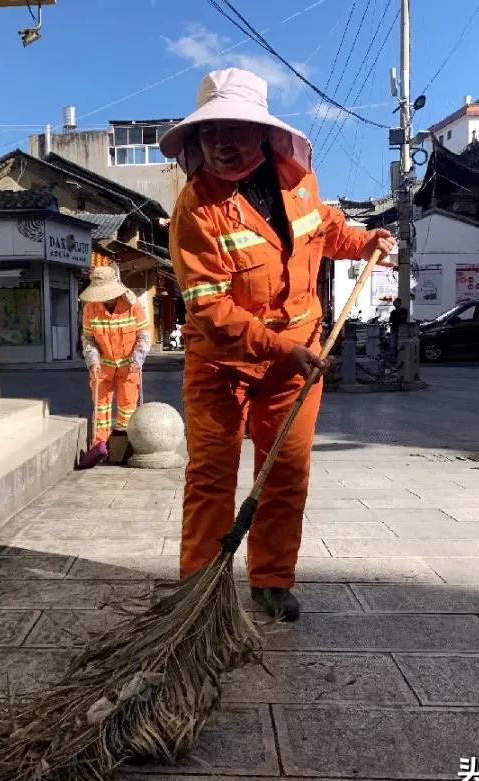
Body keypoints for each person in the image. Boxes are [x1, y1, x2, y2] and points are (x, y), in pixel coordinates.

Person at [159, 68, 396, 621]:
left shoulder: (299, 182)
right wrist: (280, 347)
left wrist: (366, 241)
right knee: (212, 476)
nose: (221, 143)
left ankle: (270, 581)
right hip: (222, 364)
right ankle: (200, 590)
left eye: (234, 129)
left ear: (263, 133)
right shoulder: (196, 210)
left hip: (296, 363)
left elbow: (328, 230)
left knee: (285, 473)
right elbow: (211, 310)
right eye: (209, 132)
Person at [77, 264, 151, 468]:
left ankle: (124, 448)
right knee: (100, 410)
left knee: (127, 409)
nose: (103, 298)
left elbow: (144, 336)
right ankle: (100, 446)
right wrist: (92, 362)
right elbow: (88, 339)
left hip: (129, 366)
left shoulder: (132, 305)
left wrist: (137, 359)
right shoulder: (90, 308)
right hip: (103, 367)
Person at [388, 296, 408, 361]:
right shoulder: (393, 312)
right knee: (393, 344)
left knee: (399, 344)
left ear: (399, 303)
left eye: (396, 302)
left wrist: (397, 321)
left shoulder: (403, 311)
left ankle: (400, 357)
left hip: (400, 330)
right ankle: (394, 357)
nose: (394, 303)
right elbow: (391, 320)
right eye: (394, 302)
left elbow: (402, 319)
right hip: (394, 329)